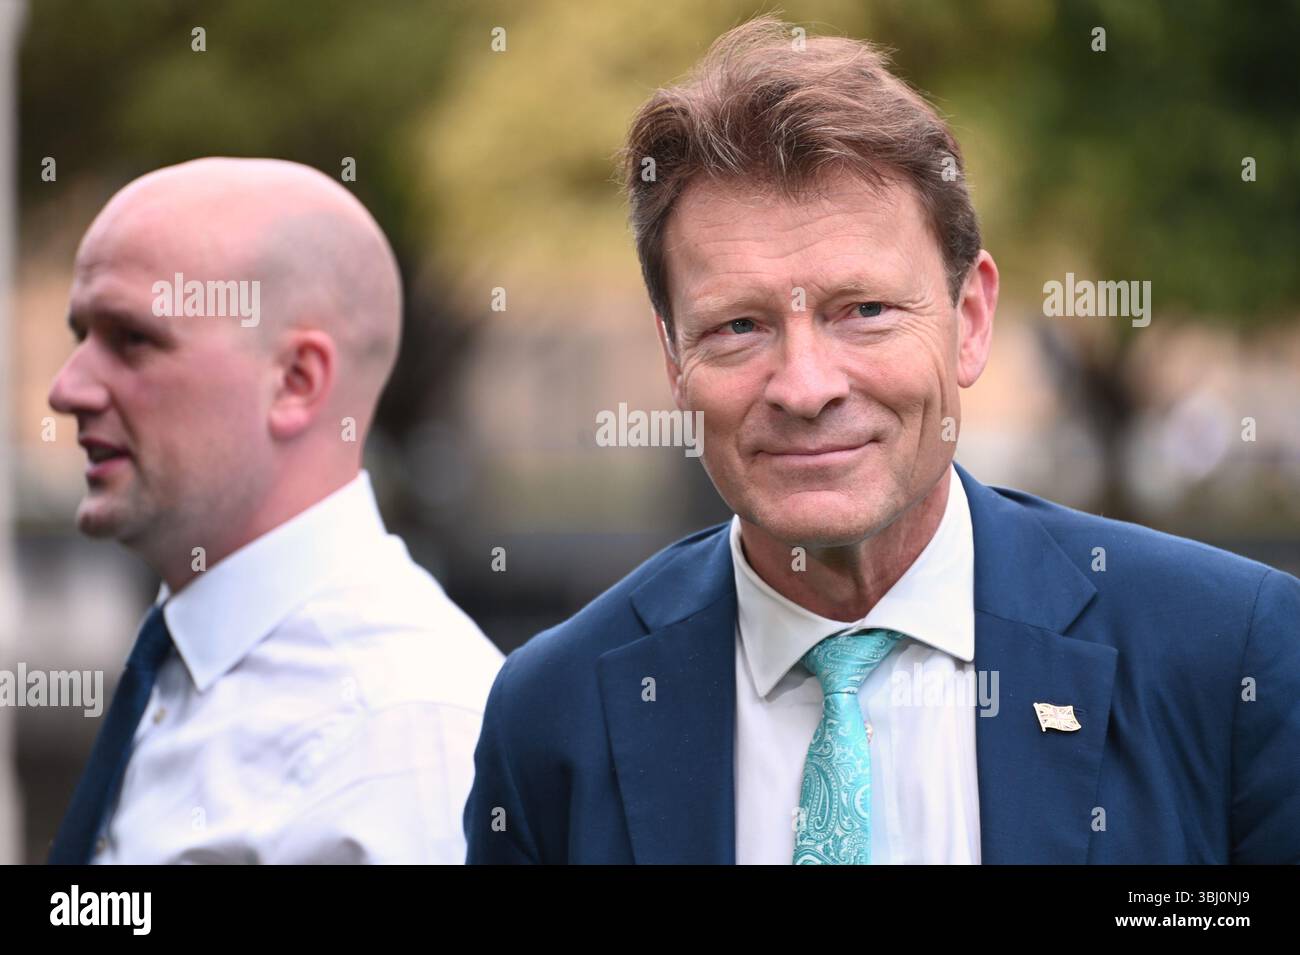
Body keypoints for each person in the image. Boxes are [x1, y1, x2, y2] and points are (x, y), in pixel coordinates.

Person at [464, 16, 1300, 864]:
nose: (804, 386)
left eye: (863, 310)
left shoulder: (1228, 658)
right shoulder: (554, 717)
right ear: (673, 357)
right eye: (739, 326)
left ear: (970, 321)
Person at [46, 157, 502, 864]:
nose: (68, 388)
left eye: (132, 339)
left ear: (295, 381)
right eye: (83, 337)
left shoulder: (410, 734)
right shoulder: (182, 658)